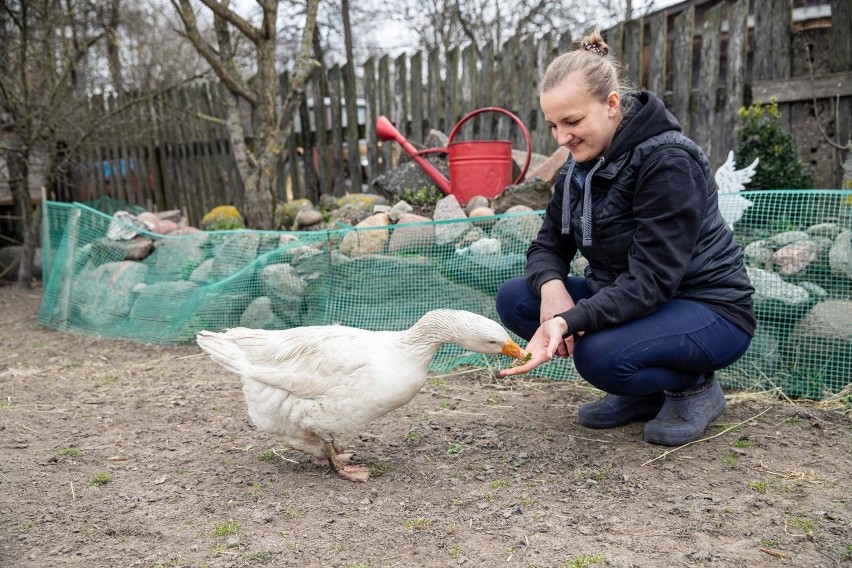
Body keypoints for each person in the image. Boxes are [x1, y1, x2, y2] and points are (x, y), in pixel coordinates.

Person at [496, 30, 756, 446]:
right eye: (553, 125)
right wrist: (551, 289)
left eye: (573, 122)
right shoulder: (576, 169)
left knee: (599, 357)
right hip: (637, 299)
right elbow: (547, 245)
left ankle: (695, 389)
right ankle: (646, 394)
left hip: (708, 308)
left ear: (612, 104)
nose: (562, 138)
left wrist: (571, 320)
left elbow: (652, 278)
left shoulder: (669, 162)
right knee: (518, 300)